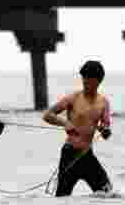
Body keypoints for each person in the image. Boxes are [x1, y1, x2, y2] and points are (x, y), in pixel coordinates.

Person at [42, 60, 113, 196]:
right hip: (69, 156)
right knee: (62, 198)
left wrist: (105, 131)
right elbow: (47, 115)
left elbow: (106, 130)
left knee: (108, 193)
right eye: (83, 79)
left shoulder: (103, 103)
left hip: (87, 156)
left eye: (88, 80)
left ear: (98, 81)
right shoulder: (73, 98)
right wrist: (65, 123)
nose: (85, 82)